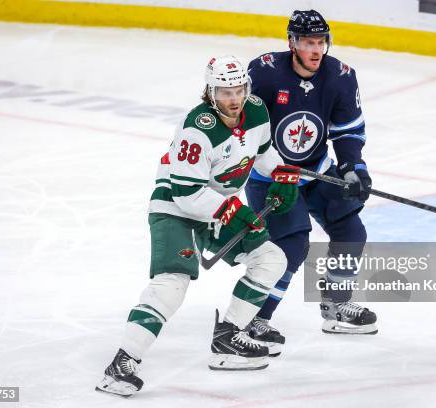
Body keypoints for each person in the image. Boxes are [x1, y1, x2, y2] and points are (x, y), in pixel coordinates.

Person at [96, 55, 300, 397]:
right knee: (172, 284)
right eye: (224, 92)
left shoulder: (257, 111)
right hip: (176, 208)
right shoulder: (198, 128)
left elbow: (261, 153)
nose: (233, 99)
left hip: (220, 207)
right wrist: (236, 211)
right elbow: (187, 194)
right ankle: (123, 361)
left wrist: (281, 172)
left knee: (271, 259)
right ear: (210, 92)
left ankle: (228, 338)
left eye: (238, 90)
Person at [244, 10, 378, 357]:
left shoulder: (341, 77)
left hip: (316, 170)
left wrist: (353, 169)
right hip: (270, 177)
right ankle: (256, 318)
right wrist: (272, 168)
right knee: (292, 247)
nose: (316, 50)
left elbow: (347, 132)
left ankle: (335, 304)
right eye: (308, 43)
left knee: (351, 231)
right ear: (292, 44)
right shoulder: (264, 73)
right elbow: (245, 130)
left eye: (320, 42)